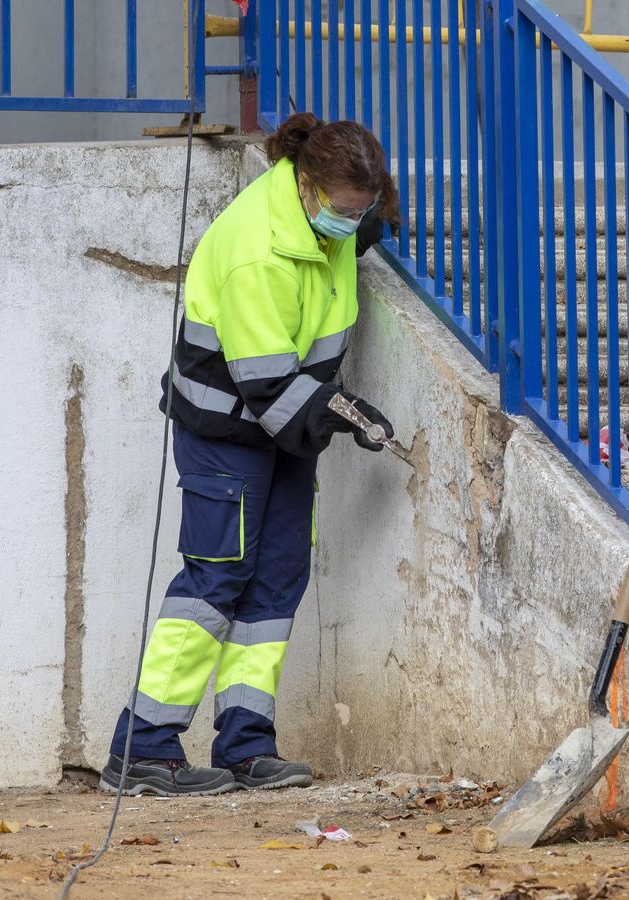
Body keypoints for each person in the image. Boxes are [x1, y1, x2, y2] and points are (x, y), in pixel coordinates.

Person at [101, 112, 399, 796]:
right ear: (307, 187)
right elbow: (265, 383)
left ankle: (246, 742)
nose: (352, 224)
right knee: (214, 584)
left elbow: (356, 233)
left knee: (274, 585)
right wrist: (343, 411)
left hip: (284, 431)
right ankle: (142, 747)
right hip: (227, 431)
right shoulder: (257, 250)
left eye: (362, 211)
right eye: (344, 211)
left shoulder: (328, 221)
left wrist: (374, 213)